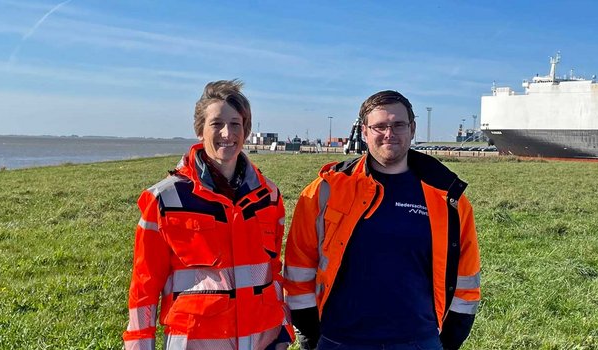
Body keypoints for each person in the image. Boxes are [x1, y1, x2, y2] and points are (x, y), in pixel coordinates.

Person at [283, 90, 481, 350]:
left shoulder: (447, 197)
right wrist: (310, 331)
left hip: (419, 341)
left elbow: (466, 275)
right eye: (379, 126)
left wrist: (451, 337)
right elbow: (299, 266)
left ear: (412, 128)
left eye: (398, 124)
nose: (389, 133)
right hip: (338, 340)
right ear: (364, 132)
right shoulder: (325, 191)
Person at [123, 80, 293, 350]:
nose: (227, 132)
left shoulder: (268, 195)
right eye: (217, 123)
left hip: (264, 341)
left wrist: (283, 331)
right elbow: (144, 286)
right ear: (200, 130)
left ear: (246, 130)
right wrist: (139, 345)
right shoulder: (166, 198)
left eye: (236, 124)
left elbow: (273, 271)